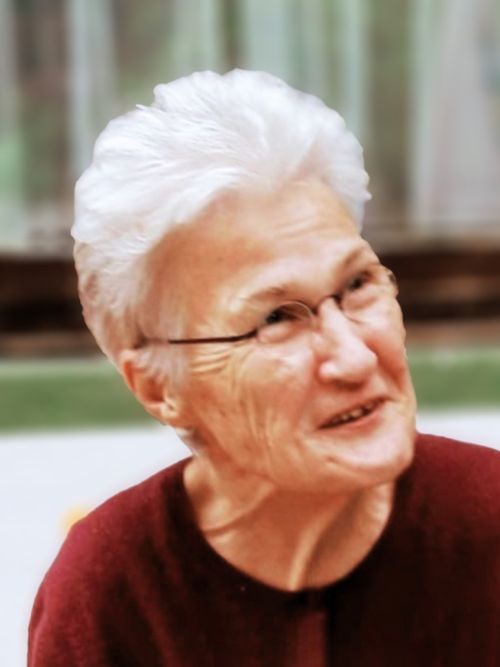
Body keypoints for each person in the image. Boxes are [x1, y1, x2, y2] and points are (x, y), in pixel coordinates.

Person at [28, 70, 499, 666]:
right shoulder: (110, 593)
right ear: (158, 386)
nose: (355, 357)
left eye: (358, 284)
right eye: (276, 319)